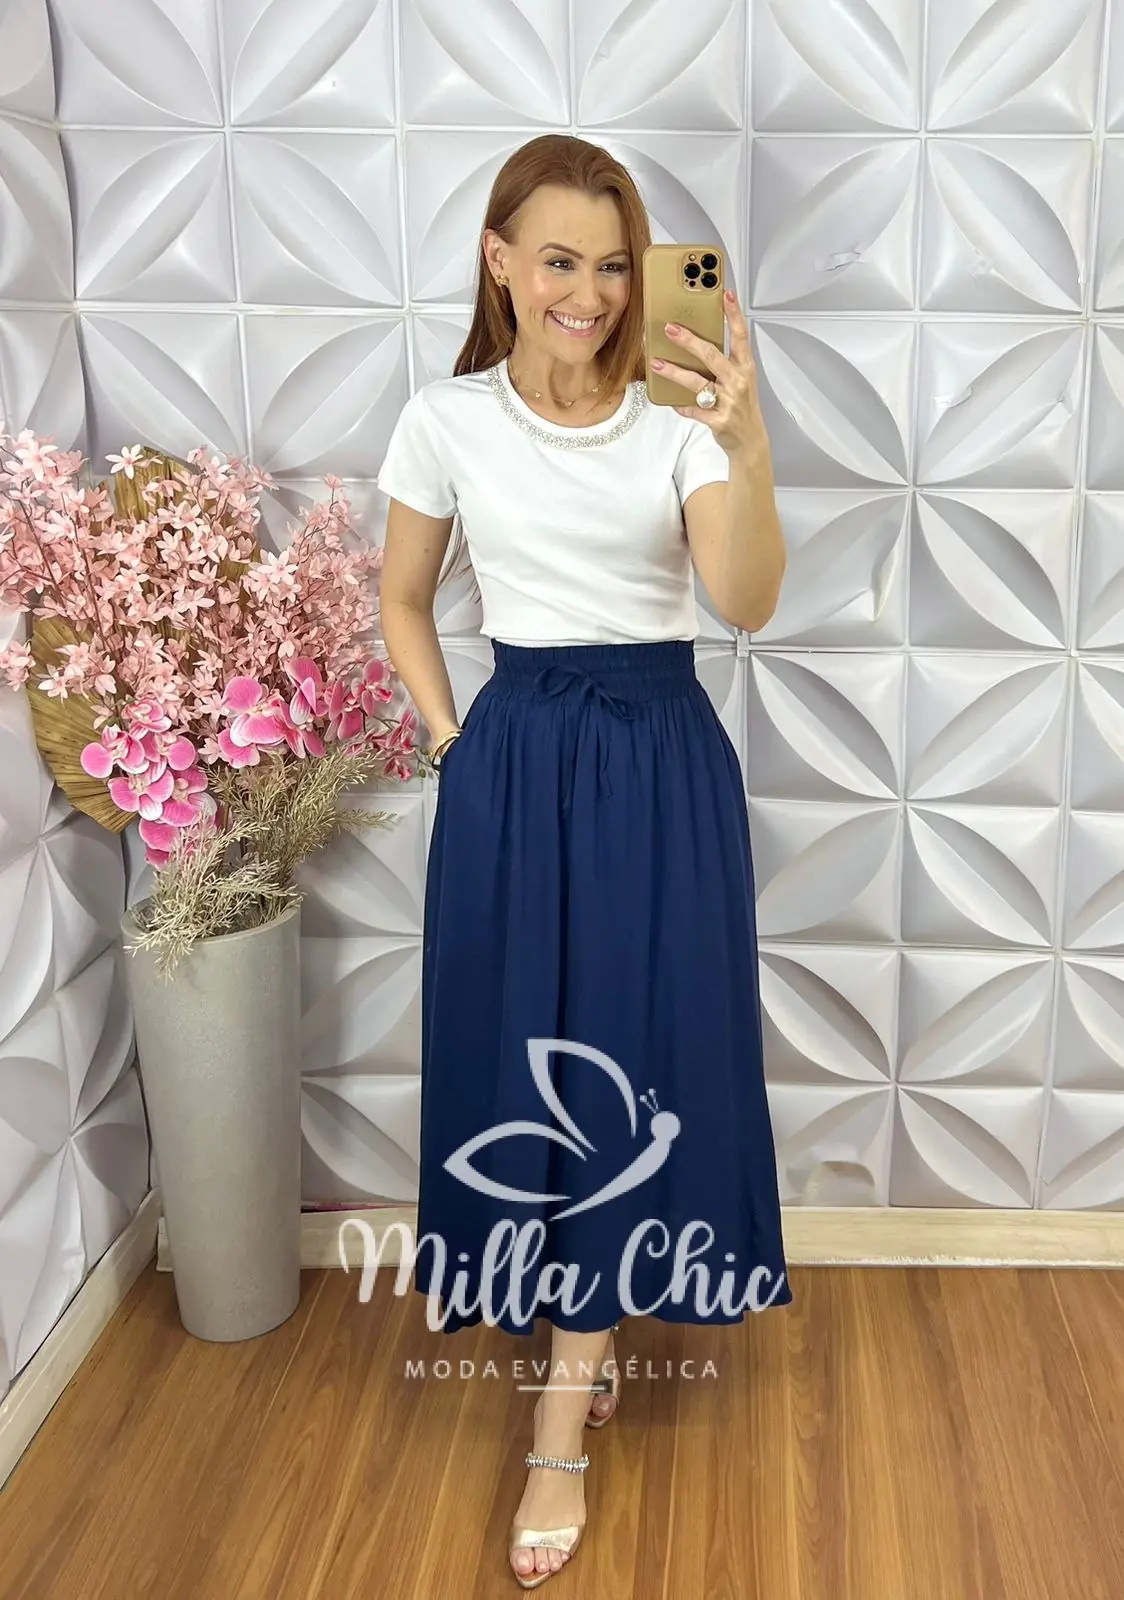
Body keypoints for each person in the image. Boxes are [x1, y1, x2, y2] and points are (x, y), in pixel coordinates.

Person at [377, 133, 792, 1590]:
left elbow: (742, 601)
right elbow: (404, 597)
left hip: (660, 759)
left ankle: (563, 1411)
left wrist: (746, 440)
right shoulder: (445, 419)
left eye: (616, 265)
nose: (594, 293)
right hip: (514, 760)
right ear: (499, 260)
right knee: (524, 1056)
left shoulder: (679, 417)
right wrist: (453, 744)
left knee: (637, 1056)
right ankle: (581, 1330)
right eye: (560, 260)